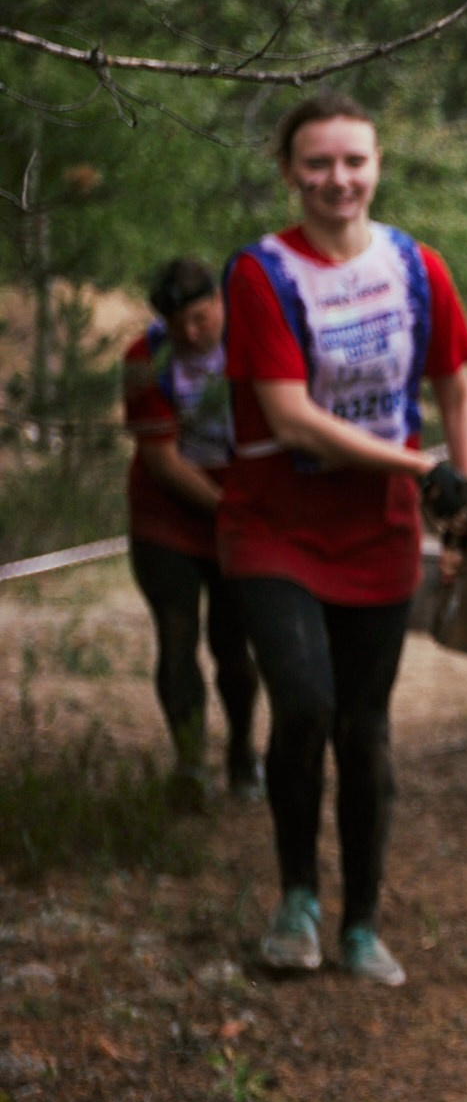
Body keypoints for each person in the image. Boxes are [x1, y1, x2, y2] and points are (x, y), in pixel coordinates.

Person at [221, 91, 467, 988]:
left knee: (365, 731)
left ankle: (363, 922)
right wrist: (419, 469)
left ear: (377, 165)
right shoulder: (260, 274)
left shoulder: (416, 266)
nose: (338, 179)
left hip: (376, 535)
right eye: (318, 163)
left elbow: (456, 389)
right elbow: (291, 420)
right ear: (290, 173)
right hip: (275, 531)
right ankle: (297, 896)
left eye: (354, 161)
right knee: (303, 703)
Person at [121, 256, 260, 807]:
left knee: (234, 643)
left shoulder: (253, 341)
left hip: (239, 513)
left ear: (222, 302)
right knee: (177, 636)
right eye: (180, 327)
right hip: (168, 516)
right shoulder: (145, 358)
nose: (193, 334)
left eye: (203, 319)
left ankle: (244, 754)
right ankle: (190, 764)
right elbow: (160, 460)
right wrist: (225, 508)